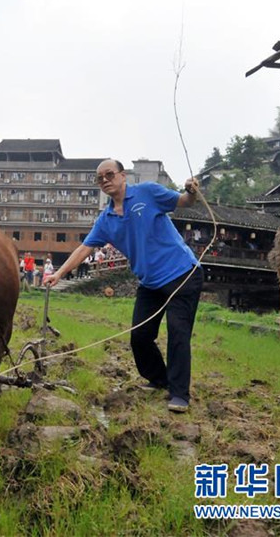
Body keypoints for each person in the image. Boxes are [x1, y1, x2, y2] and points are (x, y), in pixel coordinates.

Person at [46, 159, 202, 414]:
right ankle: (159, 379)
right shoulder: (105, 219)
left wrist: (191, 190)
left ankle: (179, 394)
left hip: (182, 273)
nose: (105, 180)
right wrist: (60, 273)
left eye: (109, 174)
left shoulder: (147, 192)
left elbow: (184, 202)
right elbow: (85, 248)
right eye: (100, 179)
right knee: (139, 336)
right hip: (150, 282)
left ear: (123, 175)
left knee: (178, 333)